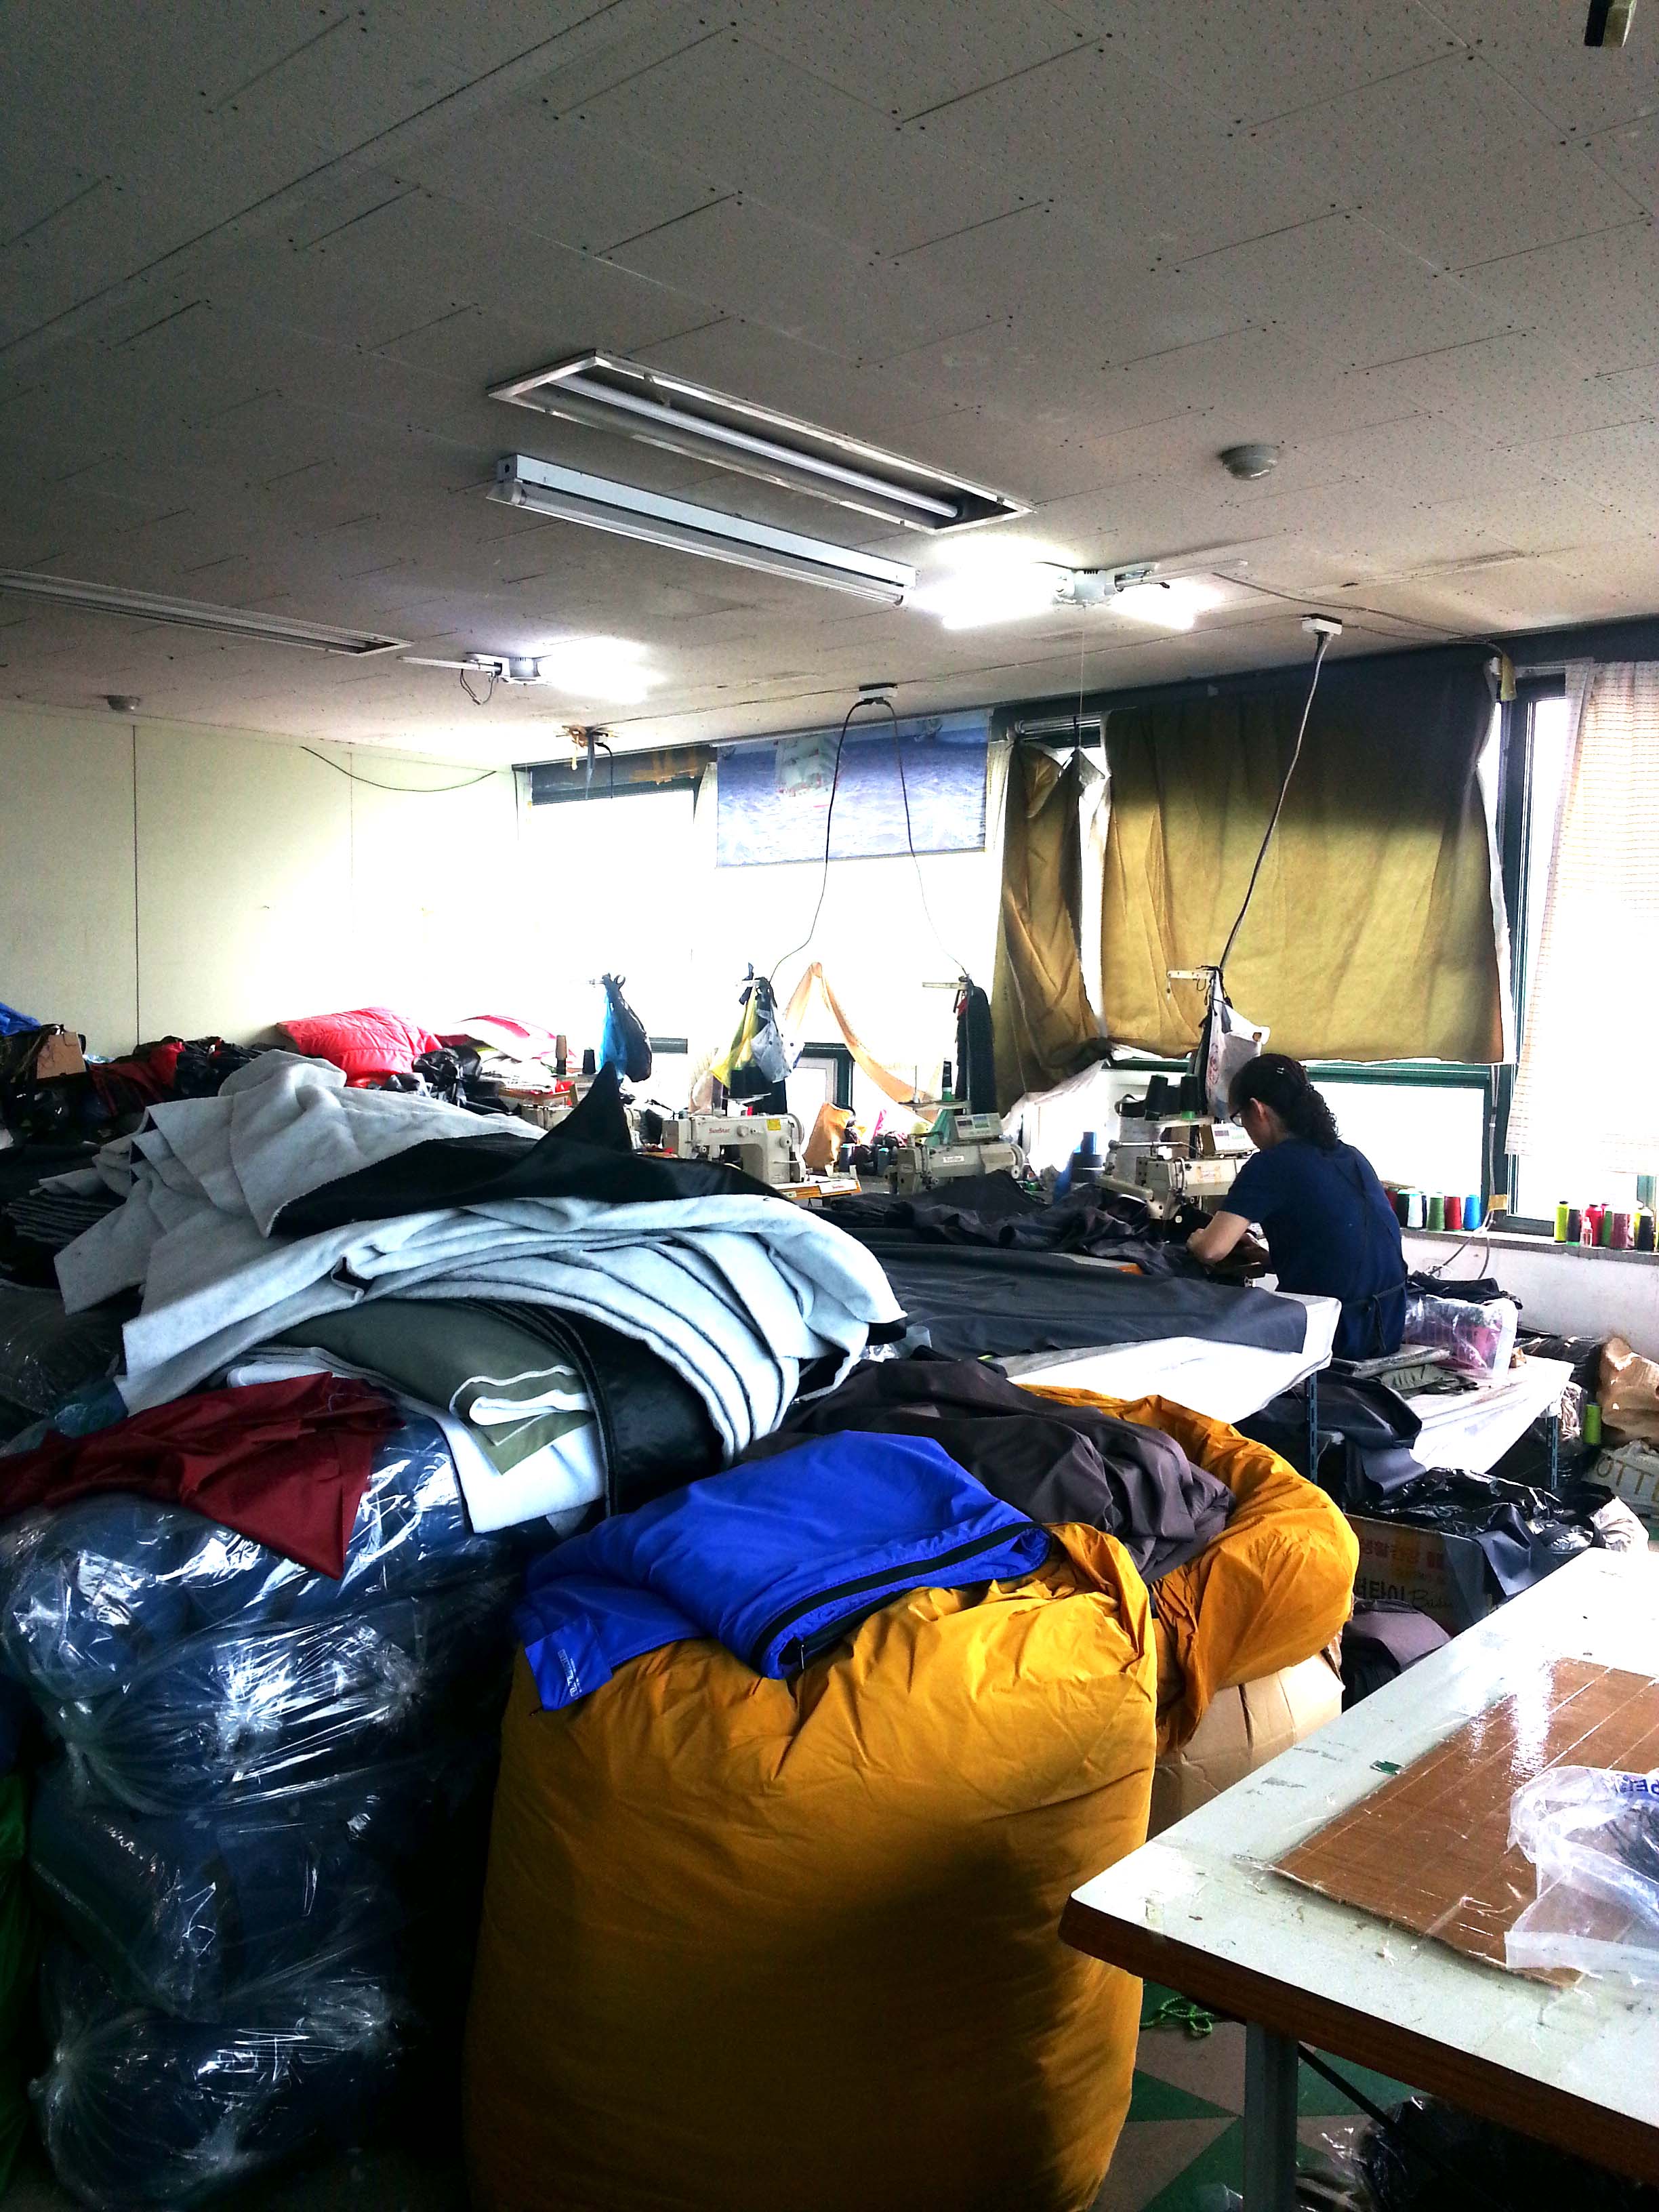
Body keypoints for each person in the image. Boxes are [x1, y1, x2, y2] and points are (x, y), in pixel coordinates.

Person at [1187, 1052, 1406, 1359]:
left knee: (1206, 1340)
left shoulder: (1272, 1164)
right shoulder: (1351, 1156)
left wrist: (1196, 1239)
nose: (1245, 1129)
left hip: (1335, 1332)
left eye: (1240, 1119)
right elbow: (1347, 1248)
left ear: (1258, 1109)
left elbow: (1212, 1251)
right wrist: (1269, 1260)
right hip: (1387, 1325)